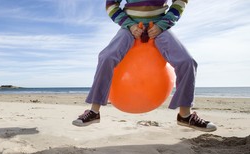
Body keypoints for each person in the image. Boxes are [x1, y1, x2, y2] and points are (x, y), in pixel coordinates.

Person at [72, 0, 217, 132]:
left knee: (187, 62)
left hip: (160, 26)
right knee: (106, 57)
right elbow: (111, 4)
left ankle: (185, 115)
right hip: (130, 28)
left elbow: (180, 2)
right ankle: (94, 112)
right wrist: (130, 25)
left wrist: (162, 25)